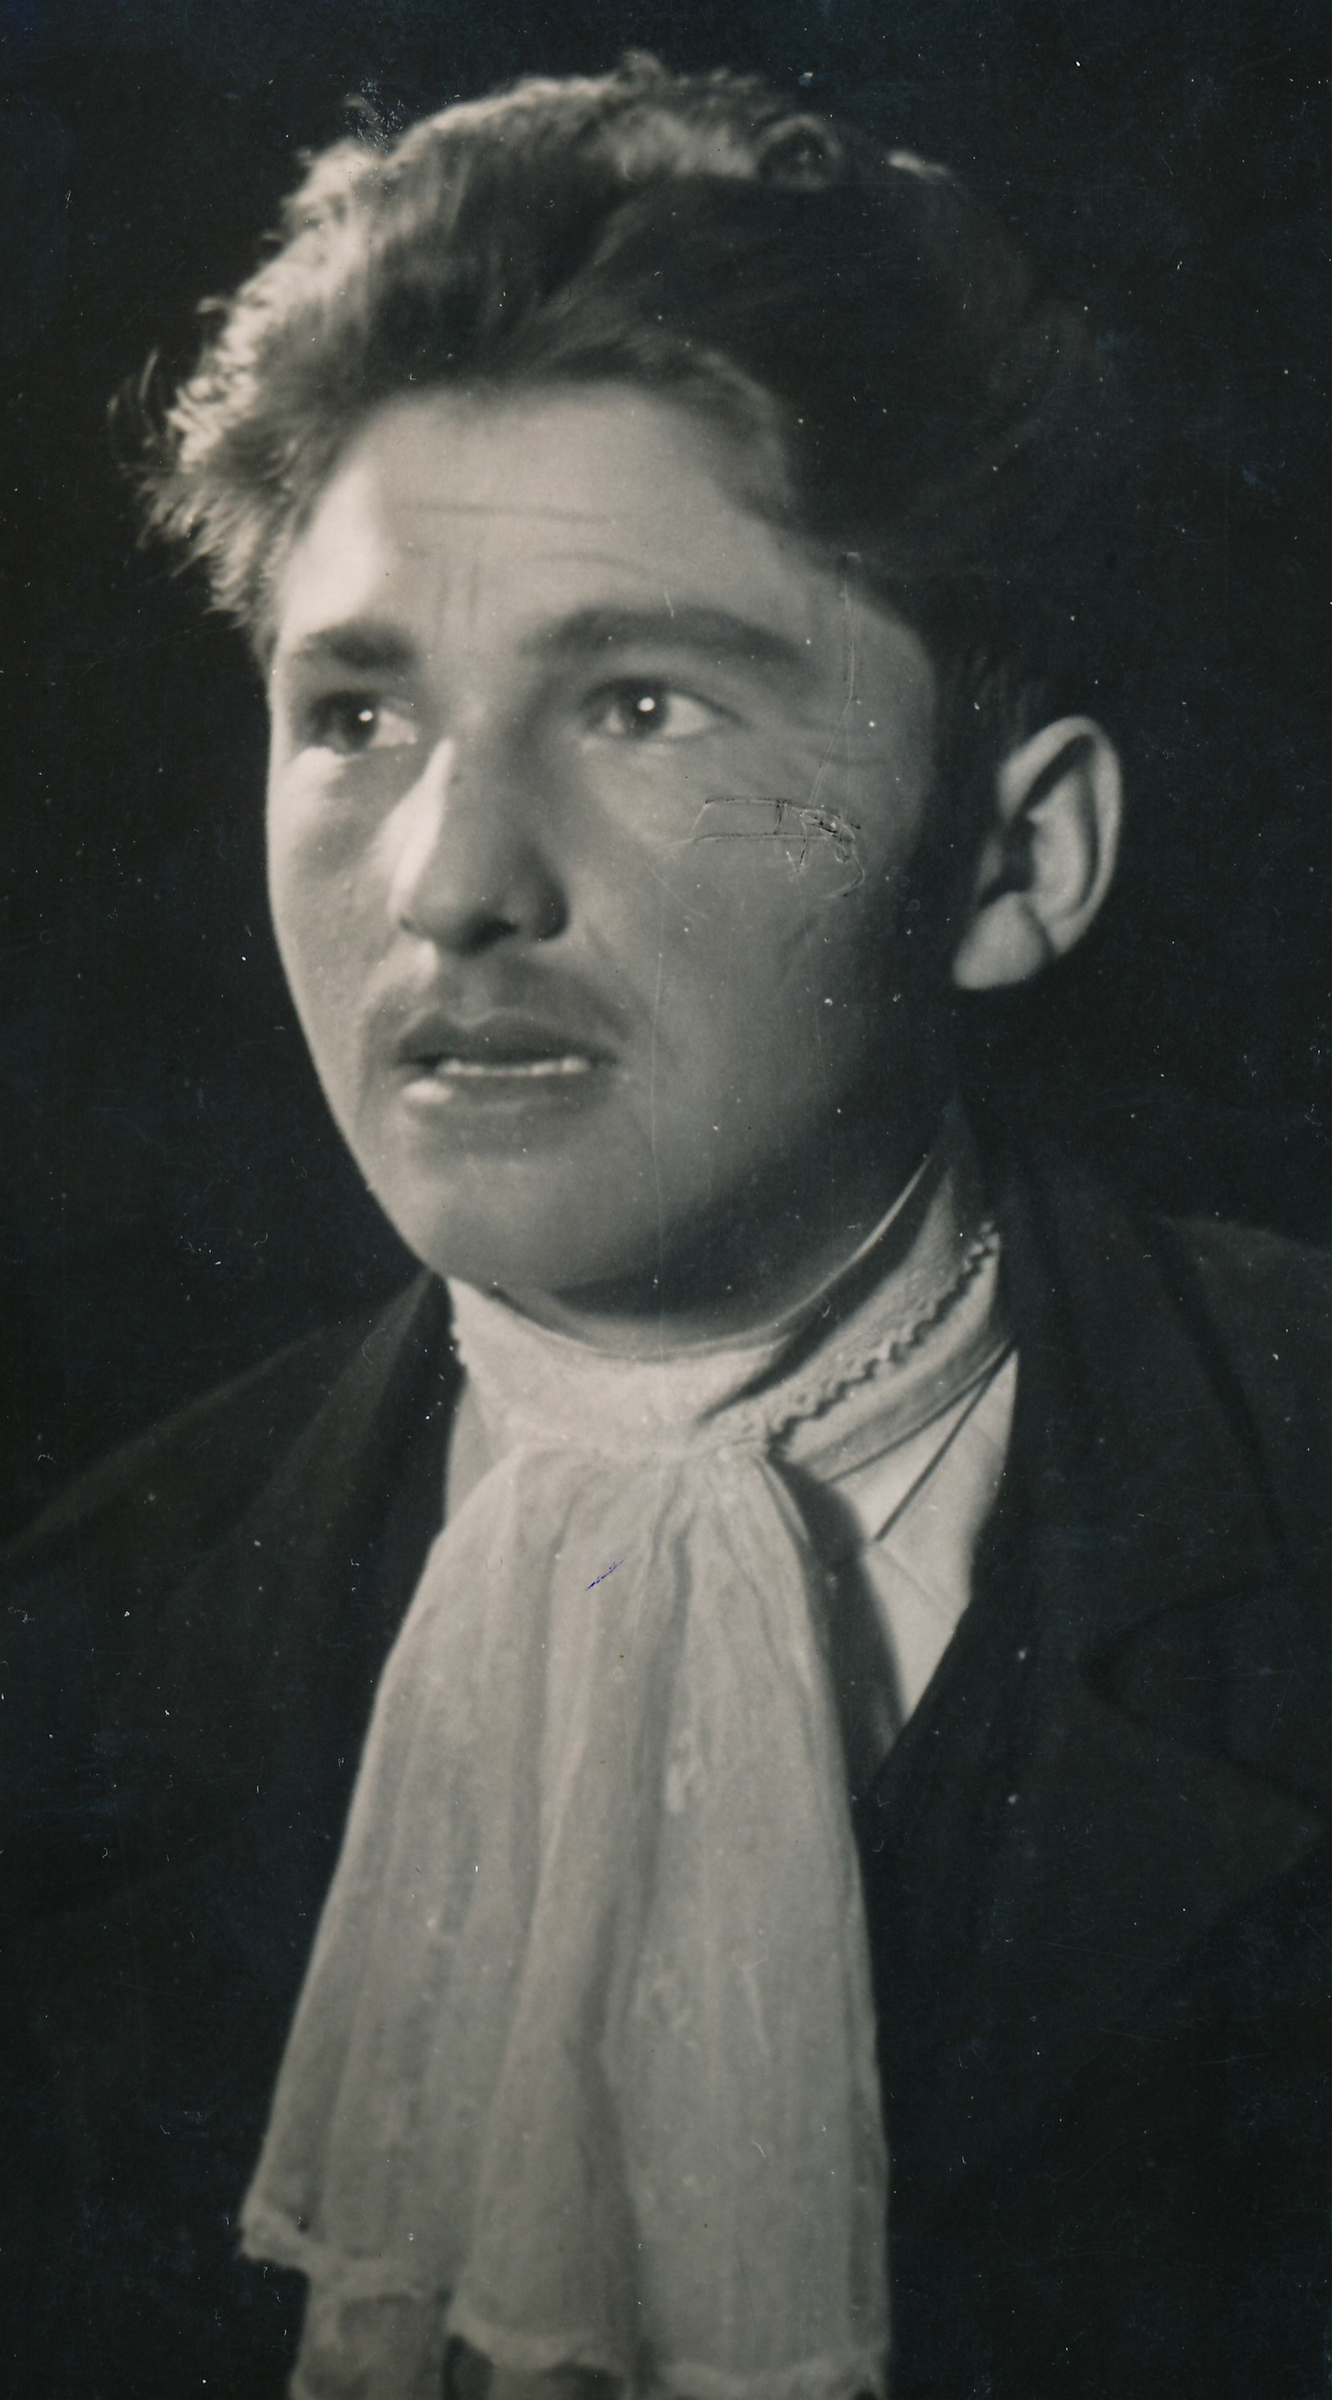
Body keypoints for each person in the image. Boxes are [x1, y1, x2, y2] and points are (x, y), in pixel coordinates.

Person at [5, 52, 1332, 2400]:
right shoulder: (80, 1645)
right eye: (355, 717)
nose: (451, 882)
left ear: (1015, 861)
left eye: (639, 703)